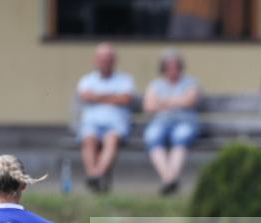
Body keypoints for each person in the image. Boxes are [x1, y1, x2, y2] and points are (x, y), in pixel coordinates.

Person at [76, 43, 136, 193]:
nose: (105, 62)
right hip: (92, 124)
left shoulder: (125, 79)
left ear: (114, 61)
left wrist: (97, 97)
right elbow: (84, 96)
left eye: (108, 59)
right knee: (89, 139)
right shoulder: (87, 80)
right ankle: (94, 176)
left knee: (111, 139)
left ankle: (96, 175)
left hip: (115, 124)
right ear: (95, 60)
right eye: (102, 59)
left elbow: (125, 99)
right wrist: (112, 97)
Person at [142, 49, 200, 195]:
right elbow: (149, 107)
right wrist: (177, 101)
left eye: (175, 66)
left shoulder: (191, 82)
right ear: (163, 68)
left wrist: (164, 102)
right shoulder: (155, 85)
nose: (172, 70)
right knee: (152, 137)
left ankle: (168, 180)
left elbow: (189, 101)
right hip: (161, 122)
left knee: (180, 138)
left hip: (185, 121)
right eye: (168, 66)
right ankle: (169, 179)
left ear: (180, 67)